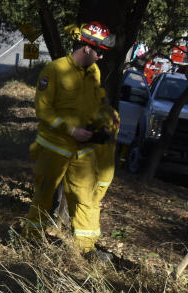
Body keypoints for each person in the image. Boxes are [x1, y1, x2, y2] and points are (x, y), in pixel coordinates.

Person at [24, 22, 115, 257]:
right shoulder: (54, 70)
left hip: (82, 148)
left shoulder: (94, 72)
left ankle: (85, 250)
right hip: (54, 146)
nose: (102, 56)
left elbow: (93, 103)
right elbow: (43, 109)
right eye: (99, 51)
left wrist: (99, 126)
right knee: (44, 195)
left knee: (86, 197)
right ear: (85, 48)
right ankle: (31, 242)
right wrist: (70, 130)